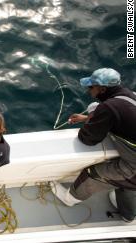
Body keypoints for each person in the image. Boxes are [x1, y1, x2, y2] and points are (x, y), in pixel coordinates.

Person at [52, 68, 136, 221]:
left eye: (91, 87)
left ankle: (68, 199)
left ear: (102, 89)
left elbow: (88, 139)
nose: (88, 90)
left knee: (92, 174)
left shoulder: (108, 108)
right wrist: (90, 116)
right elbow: (122, 115)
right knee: (127, 182)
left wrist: (92, 120)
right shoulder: (130, 96)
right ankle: (128, 214)